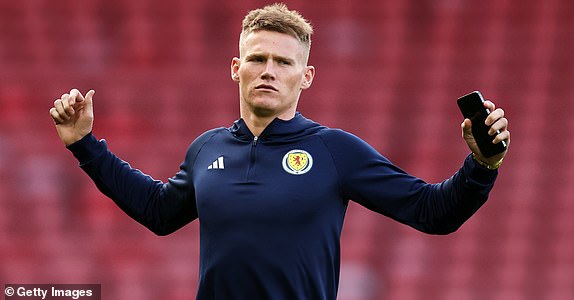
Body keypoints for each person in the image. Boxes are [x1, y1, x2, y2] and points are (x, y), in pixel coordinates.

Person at [49, 3, 510, 300]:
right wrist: (84, 145)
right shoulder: (206, 148)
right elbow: (158, 211)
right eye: (257, 58)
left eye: (284, 62)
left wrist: (481, 166)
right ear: (236, 68)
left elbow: (433, 212)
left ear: (305, 77)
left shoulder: (334, 151)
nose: (268, 70)